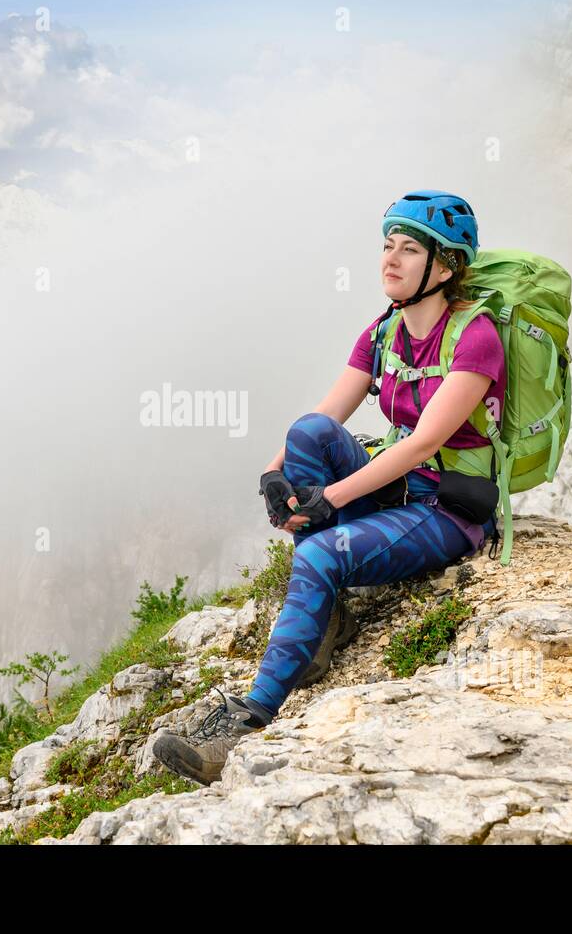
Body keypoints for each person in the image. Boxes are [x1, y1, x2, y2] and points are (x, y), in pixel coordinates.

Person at [152, 190, 506, 786]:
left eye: (409, 249)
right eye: (387, 245)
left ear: (444, 266)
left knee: (319, 550)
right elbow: (326, 414)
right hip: (396, 490)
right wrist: (276, 474)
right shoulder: (384, 332)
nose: (390, 260)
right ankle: (323, 618)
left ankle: (249, 722)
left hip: (446, 509)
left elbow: (421, 444)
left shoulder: (476, 339)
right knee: (308, 433)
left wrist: (329, 501)